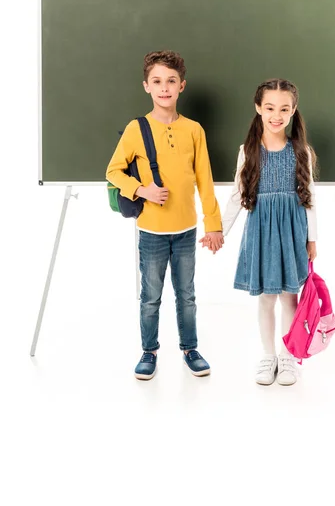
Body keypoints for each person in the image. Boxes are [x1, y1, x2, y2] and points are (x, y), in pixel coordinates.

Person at [106, 50, 223, 380]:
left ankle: (190, 348)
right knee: (151, 297)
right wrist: (141, 190)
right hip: (151, 231)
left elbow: (205, 181)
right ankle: (149, 351)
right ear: (146, 86)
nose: (164, 87)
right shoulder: (136, 129)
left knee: (187, 295)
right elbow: (113, 171)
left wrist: (213, 225)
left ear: (182, 86)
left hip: (186, 229)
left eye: (171, 81)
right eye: (157, 81)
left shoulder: (194, 130)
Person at [220, 78, 317, 386]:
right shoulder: (248, 151)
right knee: (266, 299)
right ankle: (267, 355)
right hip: (261, 230)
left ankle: (288, 357)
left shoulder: (301, 151)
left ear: (293, 110)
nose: (277, 115)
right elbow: (237, 195)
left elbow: (310, 197)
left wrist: (312, 238)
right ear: (258, 108)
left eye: (284, 109)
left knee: (290, 297)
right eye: (270, 107)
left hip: (291, 231)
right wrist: (218, 230)